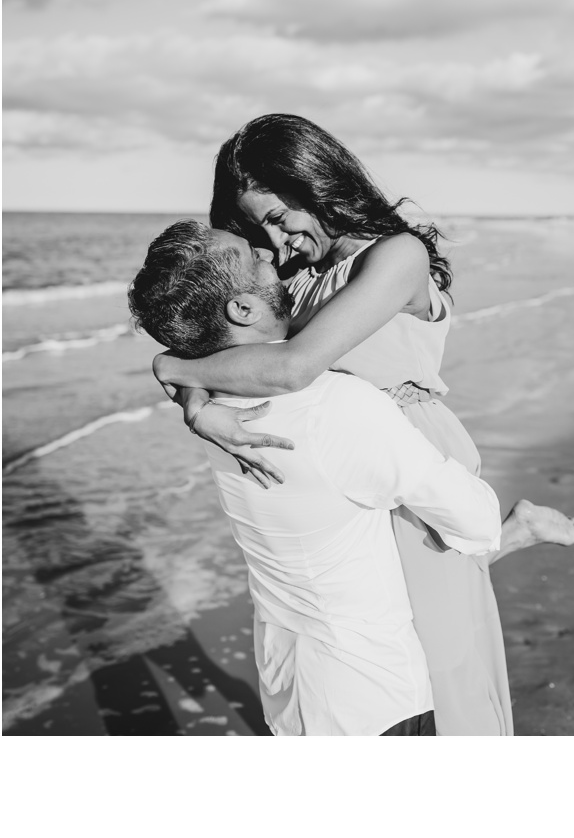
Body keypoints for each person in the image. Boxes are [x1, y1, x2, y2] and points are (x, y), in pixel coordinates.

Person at [150, 113, 574, 735]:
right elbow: (232, 352)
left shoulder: (396, 257)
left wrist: (176, 373)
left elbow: (292, 367)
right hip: (343, 464)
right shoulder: (293, 276)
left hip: (402, 450)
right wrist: (193, 394)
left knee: (437, 656)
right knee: (386, 614)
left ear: (316, 181)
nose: (276, 244)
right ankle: (510, 531)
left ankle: (504, 534)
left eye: (278, 218)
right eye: (256, 231)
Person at [129, 220, 504, 735]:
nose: (270, 256)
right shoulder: (337, 407)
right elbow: (479, 523)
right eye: (252, 257)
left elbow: (176, 366)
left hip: (288, 688)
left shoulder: (215, 411)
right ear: (242, 309)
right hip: (372, 694)